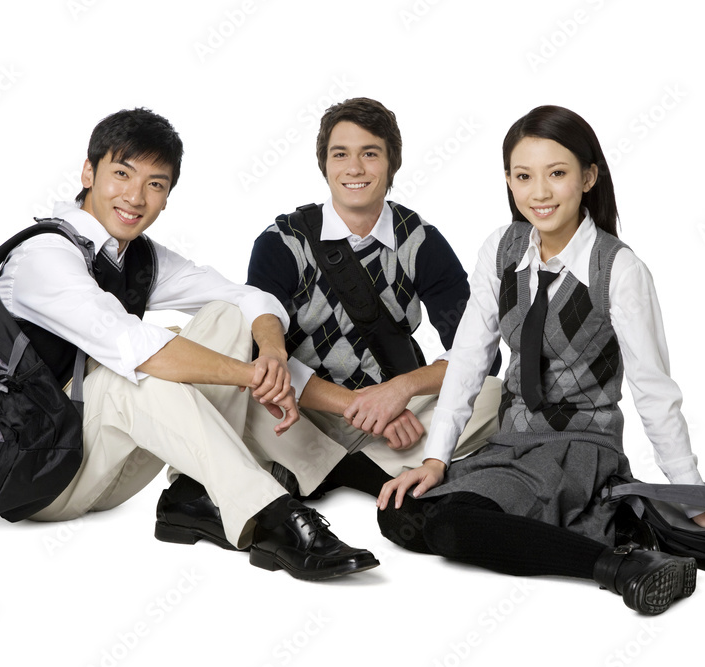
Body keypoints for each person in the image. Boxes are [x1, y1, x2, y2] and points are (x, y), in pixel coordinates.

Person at [375, 105, 705, 614]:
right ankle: (609, 522)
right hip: (510, 442)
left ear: (588, 177)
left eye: (557, 174)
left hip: (581, 448)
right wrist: (435, 460)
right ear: (508, 181)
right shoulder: (501, 249)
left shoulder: (620, 270)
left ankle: (622, 569)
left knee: (453, 528)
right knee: (399, 513)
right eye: (524, 176)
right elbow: (470, 358)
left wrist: (694, 499)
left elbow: (654, 394)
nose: (539, 193)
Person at [0, 107, 378, 581]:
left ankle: (194, 494)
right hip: (40, 475)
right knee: (135, 372)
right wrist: (252, 375)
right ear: (88, 172)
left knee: (226, 319)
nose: (135, 196)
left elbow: (247, 298)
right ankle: (270, 512)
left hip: (104, 460)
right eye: (121, 173)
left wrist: (274, 356)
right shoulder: (43, 256)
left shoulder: (135, 257)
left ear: (167, 197)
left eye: (155, 184)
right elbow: (139, 348)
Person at [153, 98, 502, 550]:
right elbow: (260, 353)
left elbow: (481, 352)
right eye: (340, 154)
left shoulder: (421, 241)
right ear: (324, 164)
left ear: (391, 162)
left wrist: (398, 392)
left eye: (370, 153)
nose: (354, 167)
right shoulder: (282, 242)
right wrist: (359, 405)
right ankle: (357, 470)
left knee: (497, 395)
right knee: (222, 361)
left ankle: (300, 471)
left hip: (392, 409)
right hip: (301, 409)